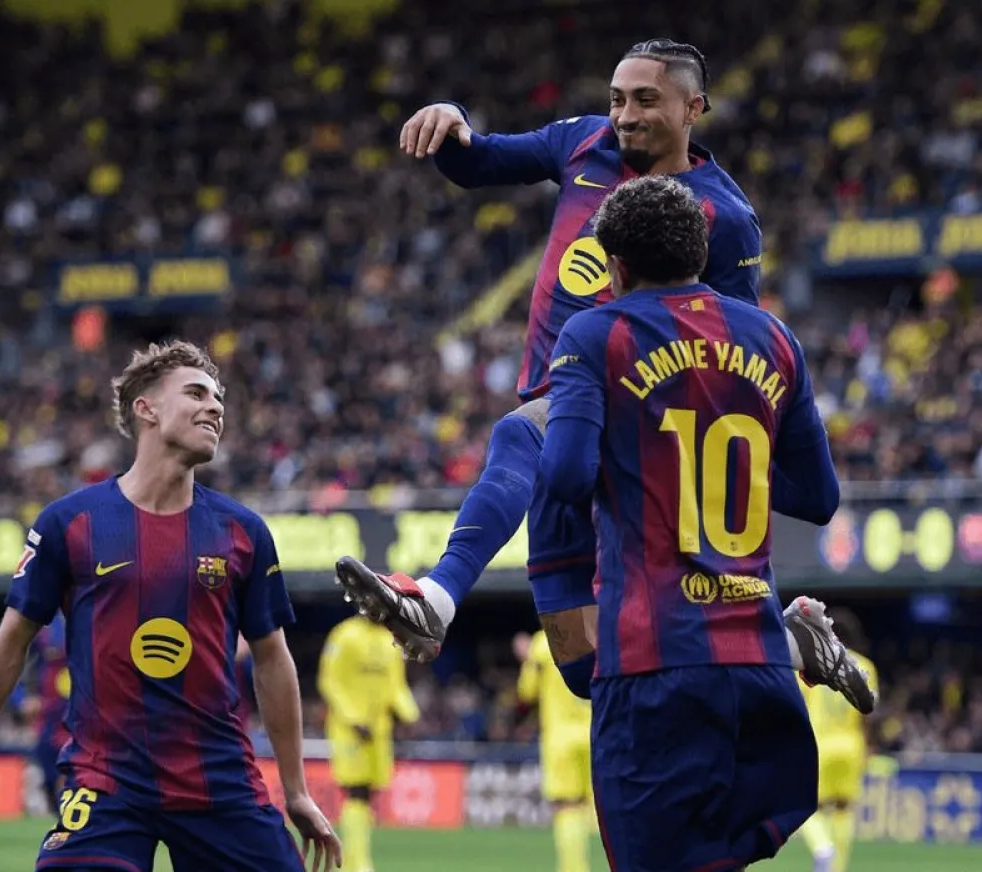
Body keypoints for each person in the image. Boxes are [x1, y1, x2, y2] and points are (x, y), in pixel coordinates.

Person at [335, 38, 872, 717]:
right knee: (584, 666)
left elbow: (730, 340)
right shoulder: (583, 143)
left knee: (517, 436)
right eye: (618, 99)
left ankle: (436, 599)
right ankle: (791, 643)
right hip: (559, 414)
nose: (625, 115)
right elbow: (480, 162)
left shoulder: (726, 218)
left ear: (693, 108)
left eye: (646, 99)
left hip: (636, 412)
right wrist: (450, 123)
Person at [0, 340, 341, 872]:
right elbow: (10, 643)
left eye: (219, 399)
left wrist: (296, 791)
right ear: (146, 408)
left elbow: (273, 659)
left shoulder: (243, 531)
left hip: (219, 782)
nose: (215, 407)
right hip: (106, 784)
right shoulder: (69, 523)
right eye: (197, 393)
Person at [538, 175, 848, 871]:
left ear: (616, 267)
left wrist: (640, 455)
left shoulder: (595, 332)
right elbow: (819, 496)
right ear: (701, 254)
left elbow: (564, 476)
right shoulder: (773, 337)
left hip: (655, 668)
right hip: (761, 669)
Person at [317, 614, 420, 872]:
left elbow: (396, 686)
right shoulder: (343, 635)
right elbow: (329, 682)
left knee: (369, 795)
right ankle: (357, 863)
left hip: (379, 731)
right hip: (349, 730)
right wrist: (352, 719)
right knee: (356, 791)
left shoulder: (389, 641)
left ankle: (354, 861)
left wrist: (410, 715)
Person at [796, 609, 880, 872]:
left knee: (809, 806)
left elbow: (799, 707)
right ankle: (837, 868)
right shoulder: (866, 666)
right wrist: (869, 745)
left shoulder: (812, 665)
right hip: (852, 746)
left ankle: (823, 848)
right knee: (844, 809)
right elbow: (869, 712)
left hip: (821, 745)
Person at [515, 630, 595, 872]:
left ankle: (574, 869)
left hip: (560, 738)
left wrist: (527, 659)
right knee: (598, 806)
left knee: (567, 806)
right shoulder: (596, 634)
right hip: (595, 732)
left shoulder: (543, 642)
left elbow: (527, 691)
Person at [22, 613, 72, 814]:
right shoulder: (44, 624)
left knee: (73, 769)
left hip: (80, 712)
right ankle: (56, 810)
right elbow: (19, 659)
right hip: (49, 716)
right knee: (49, 771)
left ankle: (71, 816)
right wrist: (24, 697)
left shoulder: (92, 615)